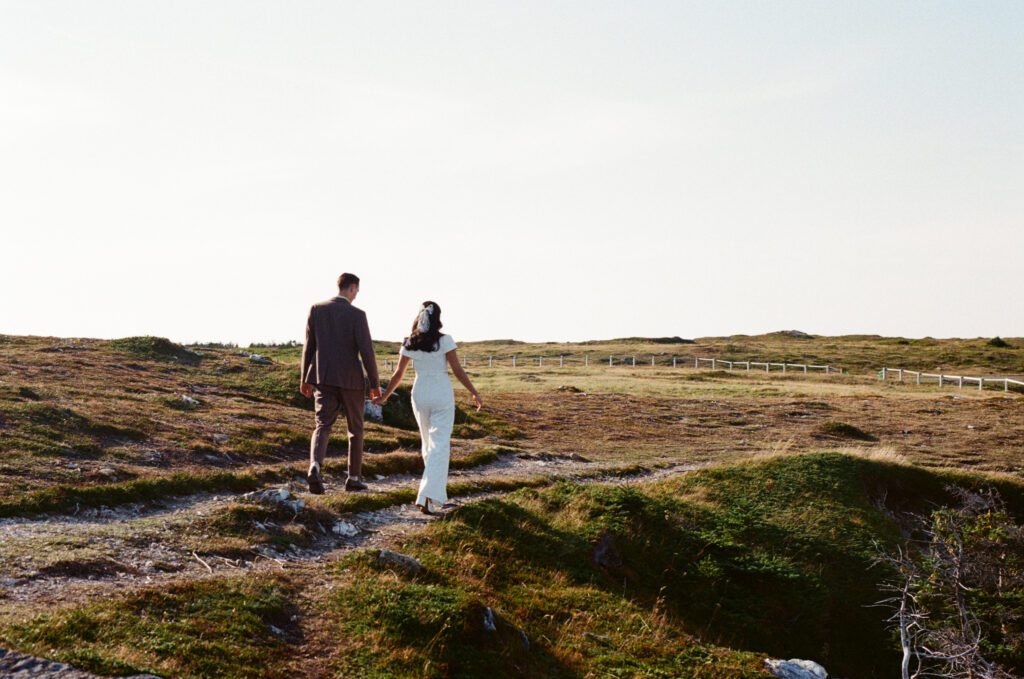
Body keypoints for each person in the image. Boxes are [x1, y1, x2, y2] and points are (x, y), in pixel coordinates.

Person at [377, 301, 482, 514]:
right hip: (441, 391)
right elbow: (458, 370)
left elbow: (398, 374)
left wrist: (384, 396)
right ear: (438, 318)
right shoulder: (445, 340)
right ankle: (426, 495)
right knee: (439, 445)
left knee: (428, 444)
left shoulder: (409, 342)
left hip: (420, 391)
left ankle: (430, 498)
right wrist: (474, 391)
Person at [299, 273, 381, 494]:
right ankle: (353, 478)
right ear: (352, 288)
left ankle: (315, 466)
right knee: (355, 429)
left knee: (322, 424)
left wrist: (304, 378)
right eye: (357, 291)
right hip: (351, 380)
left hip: (323, 378)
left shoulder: (317, 309)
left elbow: (309, 346)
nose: (356, 295)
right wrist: (374, 383)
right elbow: (366, 351)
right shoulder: (357, 315)